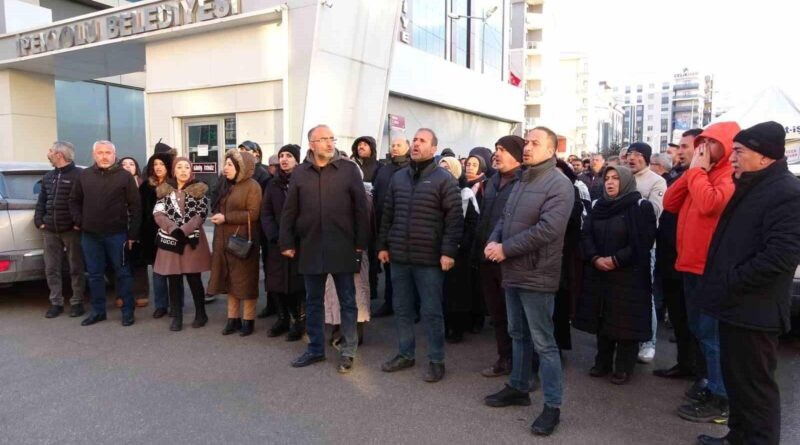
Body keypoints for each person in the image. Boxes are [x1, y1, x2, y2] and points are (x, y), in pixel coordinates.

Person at [695, 122, 800, 445]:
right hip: (736, 306)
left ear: (765, 157)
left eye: (740, 151)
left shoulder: (785, 193)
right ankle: (737, 437)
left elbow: (780, 257)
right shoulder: (753, 184)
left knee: (756, 387)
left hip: (756, 310)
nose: (733, 158)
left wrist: (731, 281)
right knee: (739, 381)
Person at [482, 126, 573, 436]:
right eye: (527, 142)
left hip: (537, 274)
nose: (528, 148)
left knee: (544, 343)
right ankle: (518, 387)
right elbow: (505, 218)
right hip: (513, 271)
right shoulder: (523, 179)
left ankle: (552, 407)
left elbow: (548, 230)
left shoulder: (559, 184)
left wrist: (505, 248)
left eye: (536, 143)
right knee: (517, 333)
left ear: (551, 150)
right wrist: (494, 241)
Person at [663, 121, 740, 424]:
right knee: (701, 331)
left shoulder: (729, 177)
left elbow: (710, 204)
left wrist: (696, 171)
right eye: (701, 143)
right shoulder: (701, 173)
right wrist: (694, 170)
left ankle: (721, 398)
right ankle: (710, 384)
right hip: (690, 265)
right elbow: (670, 203)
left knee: (711, 335)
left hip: (710, 269)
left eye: (710, 143)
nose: (702, 149)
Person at [279, 125, 369, 374]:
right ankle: (316, 349)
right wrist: (286, 242)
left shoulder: (349, 170)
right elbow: (289, 211)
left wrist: (361, 243)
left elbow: (361, 210)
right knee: (314, 301)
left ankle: (348, 351)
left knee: (348, 301)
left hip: (343, 245)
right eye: (323, 140)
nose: (330, 144)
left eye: (332, 139)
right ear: (311, 144)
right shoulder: (300, 173)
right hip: (310, 246)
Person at [378, 128, 462, 383]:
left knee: (431, 311)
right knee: (402, 308)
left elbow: (454, 219)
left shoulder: (444, 179)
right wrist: (383, 245)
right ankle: (405, 353)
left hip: (430, 260)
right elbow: (388, 214)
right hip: (400, 256)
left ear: (434, 149)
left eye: (422, 141)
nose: (415, 144)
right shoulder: (399, 177)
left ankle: (436, 360)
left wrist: (448, 252)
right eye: (414, 140)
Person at [573, 165, 657, 384]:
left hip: (629, 275)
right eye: (607, 178)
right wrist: (595, 258)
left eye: (615, 179)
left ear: (626, 182)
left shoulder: (640, 206)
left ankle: (623, 366)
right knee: (603, 317)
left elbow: (642, 241)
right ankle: (602, 361)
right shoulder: (598, 205)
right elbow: (586, 235)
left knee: (625, 321)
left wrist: (616, 260)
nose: (610, 183)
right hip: (599, 271)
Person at [69, 140, 141, 327]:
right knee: (94, 274)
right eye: (100, 152)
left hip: (117, 235)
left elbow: (136, 207)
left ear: (114, 155)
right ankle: (98, 311)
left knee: (123, 273)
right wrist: (79, 221)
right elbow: (74, 201)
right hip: (90, 235)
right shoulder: (84, 175)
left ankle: (127, 311)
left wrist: (132, 235)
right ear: (94, 155)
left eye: (108, 152)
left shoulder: (124, 176)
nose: (104, 156)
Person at [653, 128, 705, 381]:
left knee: (698, 324)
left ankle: (702, 375)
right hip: (671, 259)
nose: (680, 151)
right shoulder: (677, 176)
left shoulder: (705, 178)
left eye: (686, 147)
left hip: (693, 263)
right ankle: (684, 363)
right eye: (680, 147)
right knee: (679, 318)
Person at [473, 135, 523, 377]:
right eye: (495, 149)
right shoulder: (492, 181)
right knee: (498, 315)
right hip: (487, 259)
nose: (496, 154)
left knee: (517, 319)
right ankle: (504, 359)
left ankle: (525, 367)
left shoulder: (525, 182)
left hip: (510, 260)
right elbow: (484, 218)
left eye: (502, 149)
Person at [152, 157, 212, 331]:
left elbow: (201, 214)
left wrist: (184, 230)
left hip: (191, 240)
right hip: (171, 241)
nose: (184, 170)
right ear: (174, 170)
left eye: (187, 167)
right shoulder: (164, 191)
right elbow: (158, 214)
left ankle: (201, 314)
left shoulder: (198, 190)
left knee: (194, 279)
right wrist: (172, 228)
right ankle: (176, 316)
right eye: (180, 167)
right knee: (174, 280)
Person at [207, 149, 262, 337]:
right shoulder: (225, 184)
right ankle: (232, 319)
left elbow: (253, 214)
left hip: (242, 241)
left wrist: (226, 218)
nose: (226, 168)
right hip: (224, 239)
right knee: (229, 278)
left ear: (242, 167)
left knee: (245, 280)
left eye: (230, 165)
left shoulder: (252, 186)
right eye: (226, 164)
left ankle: (248, 320)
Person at [625, 142, 667, 364]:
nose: (632, 158)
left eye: (638, 155)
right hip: (618, 244)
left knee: (645, 293)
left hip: (644, 246)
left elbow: (655, 211)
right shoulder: (621, 176)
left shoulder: (656, 181)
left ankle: (648, 343)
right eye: (630, 154)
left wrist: (630, 202)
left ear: (647, 158)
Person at [261, 144, 306, 341]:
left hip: (299, 242)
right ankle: (282, 318)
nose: (284, 159)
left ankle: (299, 320)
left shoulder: (304, 180)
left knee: (297, 283)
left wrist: (295, 236)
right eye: (281, 156)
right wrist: (276, 236)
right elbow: (266, 212)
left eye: (288, 155)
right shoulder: (273, 184)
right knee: (277, 282)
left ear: (297, 159)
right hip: (276, 242)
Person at [36, 141, 86, 319]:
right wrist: (39, 221)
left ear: (59, 154)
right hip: (50, 229)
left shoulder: (79, 175)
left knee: (76, 267)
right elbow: (42, 201)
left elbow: (85, 201)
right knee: (51, 268)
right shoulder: (48, 176)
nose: (48, 153)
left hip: (71, 230)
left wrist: (78, 223)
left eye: (50, 151)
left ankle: (77, 302)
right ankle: (55, 302)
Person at [438, 156, 479, 344]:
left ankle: (458, 327)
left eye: (448, 168)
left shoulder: (465, 193)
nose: (444, 171)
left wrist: (461, 244)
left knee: (457, 290)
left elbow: (472, 223)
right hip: (437, 248)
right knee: (441, 290)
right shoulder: (434, 190)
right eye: (441, 167)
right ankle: (444, 324)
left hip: (459, 250)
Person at [372, 137, 411, 318]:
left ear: (408, 148)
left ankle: (410, 306)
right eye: (393, 145)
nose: (395, 148)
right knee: (388, 267)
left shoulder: (411, 169)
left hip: (405, 227)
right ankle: (389, 302)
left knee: (407, 271)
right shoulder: (383, 170)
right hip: (384, 225)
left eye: (399, 145)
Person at [138, 151, 177, 315]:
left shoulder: (176, 185)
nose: (158, 167)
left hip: (173, 233)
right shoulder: (147, 186)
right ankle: (161, 305)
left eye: (161, 164)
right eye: (155, 164)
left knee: (175, 273)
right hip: (152, 235)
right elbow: (140, 211)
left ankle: (176, 305)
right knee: (158, 271)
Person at [553, 159, 585, 351]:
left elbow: (572, 222)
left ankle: (558, 345)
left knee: (560, 303)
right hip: (540, 257)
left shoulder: (573, 193)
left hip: (564, 256)